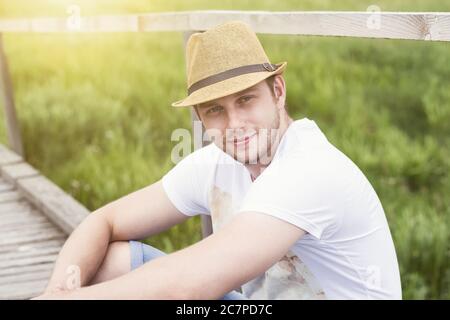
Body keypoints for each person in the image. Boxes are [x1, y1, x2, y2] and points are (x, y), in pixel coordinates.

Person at [34, 21, 401, 300]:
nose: (234, 124)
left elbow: (191, 281)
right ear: (200, 118)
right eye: (215, 110)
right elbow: (106, 221)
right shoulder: (215, 163)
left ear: (277, 90)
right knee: (112, 262)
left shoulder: (309, 170)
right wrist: (57, 289)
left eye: (245, 100)